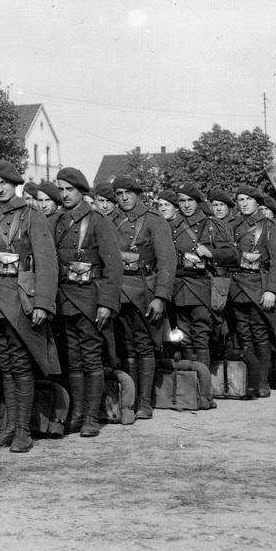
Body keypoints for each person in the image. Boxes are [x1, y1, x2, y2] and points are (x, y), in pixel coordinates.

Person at [0, 161, 58, 453]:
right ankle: (7, 427)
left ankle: (22, 431)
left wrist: (43, 302)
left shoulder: (32, 216)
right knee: (4, 365)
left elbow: (46, 261)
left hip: (19, 299)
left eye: (3, 183)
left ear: (14, 184)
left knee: (19, 363)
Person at [50, 167, 122, 437]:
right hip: (65, 296)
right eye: (62, 190)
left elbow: (113, 267)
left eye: (70, 190)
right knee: (72, 358)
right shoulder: (57, 221)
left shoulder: (97, 221)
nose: (65, 195)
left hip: (90, 298)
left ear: (82, 192)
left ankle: (91, 416)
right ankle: (77, 414)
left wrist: (106, 302)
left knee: (91, 358)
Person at [111, 176, 176, 419]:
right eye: (119, 193)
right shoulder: (112, 220)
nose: (124, 198)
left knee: (145, 345)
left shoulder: (154, 220)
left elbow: (167, 262)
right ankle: (130, 400)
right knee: (125, 346)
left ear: (138, 194)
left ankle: (145, 403)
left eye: (128, 192)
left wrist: (161, 296)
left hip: (145, 290)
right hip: (120, 291)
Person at [226, 187, 276, 399]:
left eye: (248, 200)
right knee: (243, 334)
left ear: (257, 202)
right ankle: (249, 381)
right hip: (237, 287)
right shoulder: (233, 225)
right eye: (240, 199)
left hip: (258, 287)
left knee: (260, 334)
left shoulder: (269, 226)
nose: (243, 203)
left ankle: (262, 381)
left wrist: (272, 290)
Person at [171, 185, 237, 368]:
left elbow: (232, 254)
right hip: (180, 287)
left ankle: (204, 388)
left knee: (201, 337)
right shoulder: (172, 226)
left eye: (190, 200)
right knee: (183, 338)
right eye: (182, 201)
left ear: (198, 202)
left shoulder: (212, 225)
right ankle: (190, 386)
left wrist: (211, 253)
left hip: (202, 287)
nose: (186, 205)